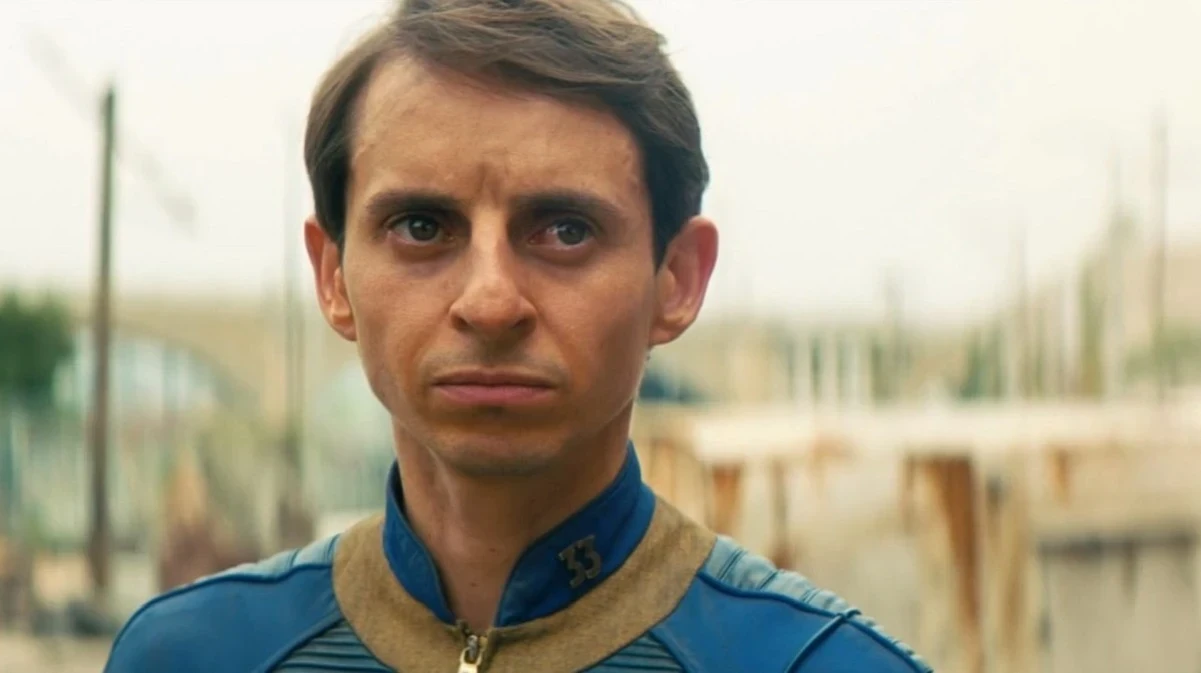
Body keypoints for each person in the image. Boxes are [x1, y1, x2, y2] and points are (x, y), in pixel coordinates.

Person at [104, 1, 931, 671]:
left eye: (564, 229)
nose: (491, 301)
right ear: (333, 276)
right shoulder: (193, 656)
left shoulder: (814, 663)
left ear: (676, 279)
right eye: (421, 226)